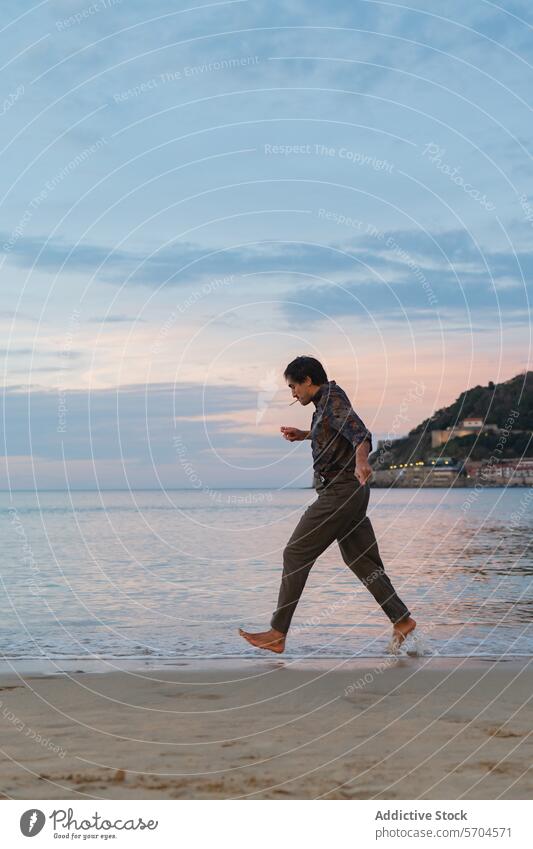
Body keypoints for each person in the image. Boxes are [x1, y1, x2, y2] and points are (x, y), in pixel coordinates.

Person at [239, 355, 416, 654]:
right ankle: (401, 620)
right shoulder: (326, 403)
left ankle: (277, 633)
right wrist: (305, 435)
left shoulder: (332, 401)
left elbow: (361, 435)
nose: (293, 393)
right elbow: (336, 433)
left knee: (296, 552)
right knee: (361, 560)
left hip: (341, 491)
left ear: (308, 380)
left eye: (294, 386)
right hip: (348, 491)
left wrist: (362, 462)